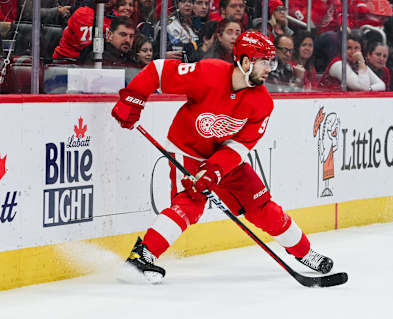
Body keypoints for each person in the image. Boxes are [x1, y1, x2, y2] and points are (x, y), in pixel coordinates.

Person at [111, 31, 335, 283]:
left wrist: (214, 170)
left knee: (261, 204)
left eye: (272, 63)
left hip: (224, 157)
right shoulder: (208, 73)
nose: (270, 69)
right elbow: (158, 71)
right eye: (265, 62)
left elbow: (240, 146)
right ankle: (141, 257)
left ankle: (304, 252)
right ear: (247, 61)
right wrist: (133, 99)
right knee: (190, 202)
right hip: (188, 149)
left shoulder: (262, 103)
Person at [318, 33, 386, 91]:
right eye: (349, 48)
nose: (353, 52)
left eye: (356, 48)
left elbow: (382, 85)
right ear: (342, 49)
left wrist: (370, 89)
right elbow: (362, 87)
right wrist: (361, 61)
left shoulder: (358, 64)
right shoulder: (338, 64)